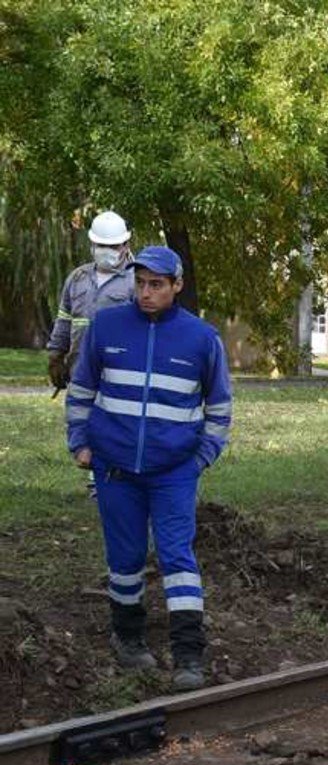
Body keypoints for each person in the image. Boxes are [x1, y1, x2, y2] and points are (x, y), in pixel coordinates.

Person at [64, 246, 232, 691]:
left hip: (175, 470)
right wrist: (80, 444)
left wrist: (201, 457)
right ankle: (129, 638)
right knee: (125, 559)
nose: (145, 292)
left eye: (156, 284)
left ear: (177, 285)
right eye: (140, 283)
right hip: (114, 468)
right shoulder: (107, 326)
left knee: (178, 557)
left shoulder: (202, 338)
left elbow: (219, 407)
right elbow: (81, 390)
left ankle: (188, 654)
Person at [46, 211, 136, 392]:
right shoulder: (78, 277)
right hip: (79, 374)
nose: (106, 251)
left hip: (120, 377)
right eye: (101, 245)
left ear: (126, 245)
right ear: (92, 244)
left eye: (113, 246)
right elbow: (64, 320)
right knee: (78, 419)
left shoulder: (137, 281)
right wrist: (55, 357)